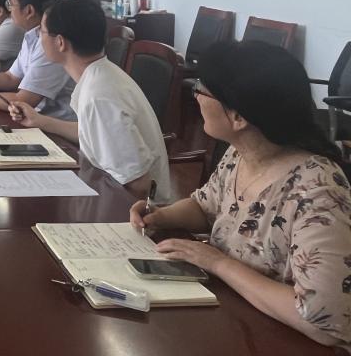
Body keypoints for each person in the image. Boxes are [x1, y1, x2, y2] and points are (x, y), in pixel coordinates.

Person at [130, 40, 351, 349]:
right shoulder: (241, 153)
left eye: (203, 91)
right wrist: (161, 215)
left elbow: (324, 324)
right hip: (231, 317)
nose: (196, 96)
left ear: (238, 117)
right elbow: (205, 206)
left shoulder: (317, 191)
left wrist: (218, 263)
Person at [8, 0, 171, 200]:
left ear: (60, 42)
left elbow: (138, 184)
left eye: (41, 31)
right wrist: (39, 120)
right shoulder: (101, 74)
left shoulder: (99, 95)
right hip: (109, 196)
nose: (39, 37)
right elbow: (92, 134)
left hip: (135, 211)